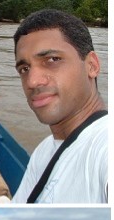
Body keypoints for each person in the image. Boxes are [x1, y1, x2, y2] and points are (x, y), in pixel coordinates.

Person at [10, 9, 107, 203]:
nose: (32, 81)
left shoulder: (104, 144)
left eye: (52, 60)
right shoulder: (44, 150)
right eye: (24, 68)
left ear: (92, 66)